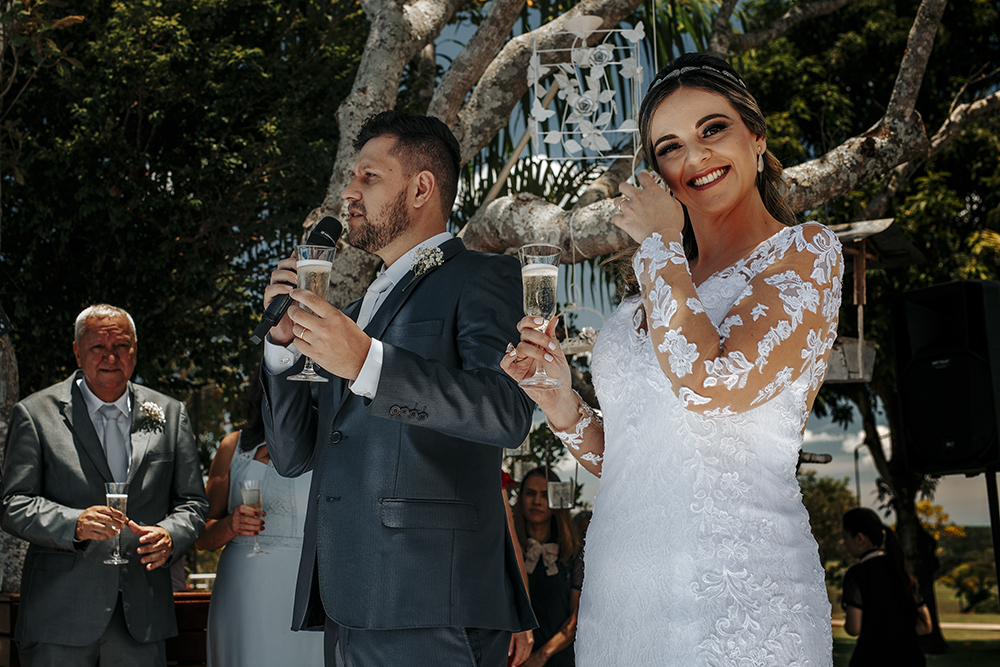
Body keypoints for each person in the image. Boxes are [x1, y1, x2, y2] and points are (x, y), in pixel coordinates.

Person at [502, 52, 844, 666]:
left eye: (713, 129)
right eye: (669, 146)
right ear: (656, 170)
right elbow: (631, 458)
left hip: (735, 596)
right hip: (620, 601)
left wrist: (659, 245)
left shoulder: (803, 254)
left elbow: (712, 386)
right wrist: (557, 396)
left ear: (757, 137)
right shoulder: (655, 287)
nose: (695, 157)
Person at [260, 110, 536, 667]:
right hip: (345, 601)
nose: (348, 193)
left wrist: (367, 362)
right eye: (350, 179)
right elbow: (293, 456)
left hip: (433, 600)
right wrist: (283, 349)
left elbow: (506, 411)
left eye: (367, 177)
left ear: (421, 187)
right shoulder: (357, 312)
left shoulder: (485, 277)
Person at [0, 304, 208, 666]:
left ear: (135, 351)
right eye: (97, 347)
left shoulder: (171, 413)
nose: (111, 356)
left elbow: (192, 503)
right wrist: (73, 524)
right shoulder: (34, 414)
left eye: (122, 346)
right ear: (77, 351)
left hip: (141, 618)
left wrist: (171, 535)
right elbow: (13, 504)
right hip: (58, 618)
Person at [196, 376, 324, 666]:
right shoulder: (234, 446)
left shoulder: (333, 445)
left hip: (306, 594)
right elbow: (201, 537)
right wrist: (230, 525)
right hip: (242, 593)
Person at [841, 508, 932, 666]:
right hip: (912, 658)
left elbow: (854, 628)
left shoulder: (857, 575)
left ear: (860, 538)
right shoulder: (902, 573)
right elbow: (926, 626)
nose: (845, 543)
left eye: (845, 537)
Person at [512, 468, 583, 667]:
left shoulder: (573, 554)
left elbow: (577, 617)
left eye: (545, 495)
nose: (537, 501)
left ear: (556, 499)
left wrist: (541, 656)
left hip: (559, 658)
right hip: (513, 658)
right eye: (530, 493)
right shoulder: (506, 550)